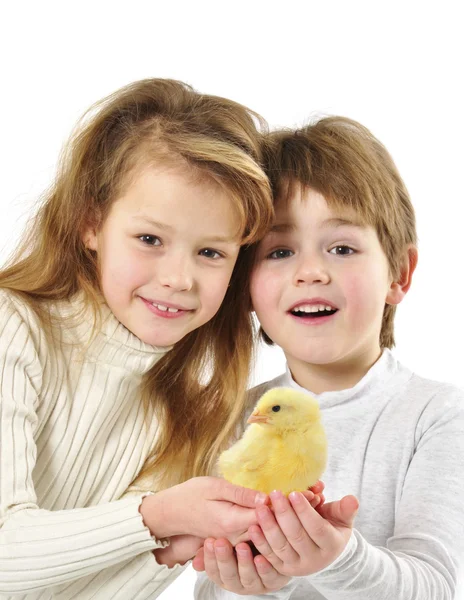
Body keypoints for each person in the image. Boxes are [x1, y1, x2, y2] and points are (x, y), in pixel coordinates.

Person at [0, 78, 279, 599]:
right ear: (91, 223)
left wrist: (176, 545)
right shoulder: (13, 327)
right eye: (150, 239)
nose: (178, 278)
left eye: (211, 252)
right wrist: (159, 517)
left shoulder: (193, 415)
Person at [193, 117, 464, 599]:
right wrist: (255, 582)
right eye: (279, 251)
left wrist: (336, 559)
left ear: (399, 274)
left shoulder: (437, 416)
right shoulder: (235, 418)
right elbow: (212, 583)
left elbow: (437, 588)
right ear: (246, 285)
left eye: (341, 247)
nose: (312, 272)